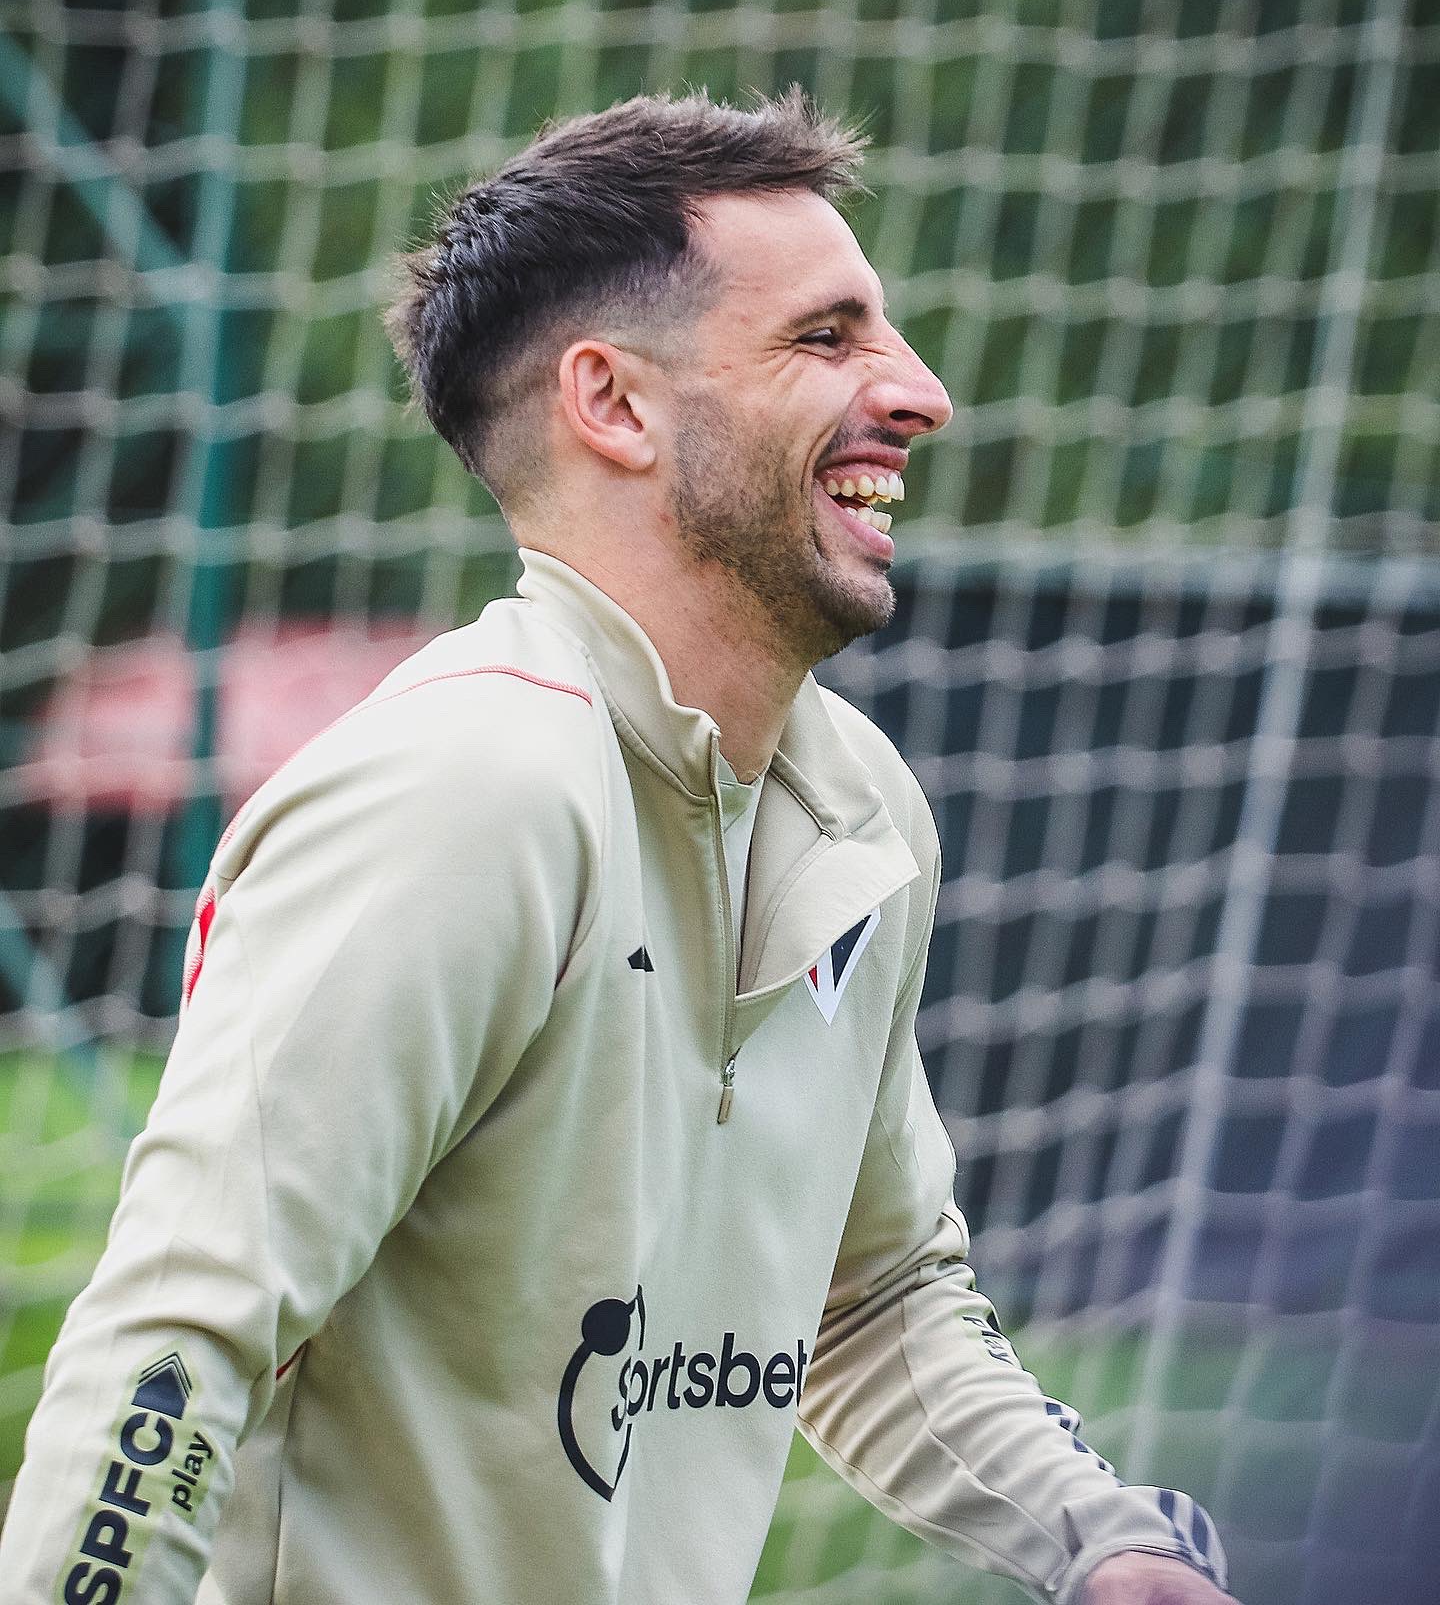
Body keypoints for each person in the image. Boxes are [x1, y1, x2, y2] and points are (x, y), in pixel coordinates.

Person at [1, 91, 1234, 1605]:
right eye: (826, 338)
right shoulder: (467, 791)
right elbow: (175, 1344)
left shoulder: (857, 804)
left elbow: (879, 1299)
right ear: (616, 404)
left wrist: (1100, 1540)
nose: (920, 393)